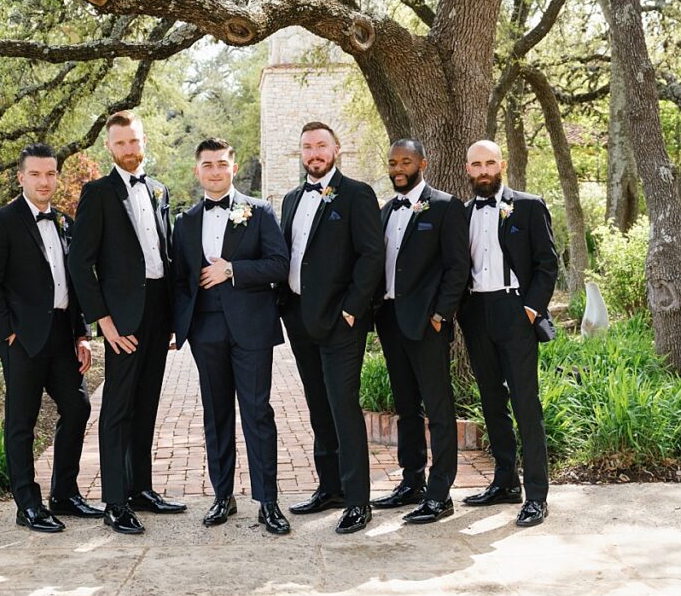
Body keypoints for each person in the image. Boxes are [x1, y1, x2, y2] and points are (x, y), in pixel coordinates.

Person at [0, 143, 102, 533]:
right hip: (23, 341)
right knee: (21, 423)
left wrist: (81, 334)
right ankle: (27, 505)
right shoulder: (1, 221)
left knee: (77, 408)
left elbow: (75, 282)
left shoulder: (65, 222)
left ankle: (64, 493)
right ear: (21, 177)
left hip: (63, 337)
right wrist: (7, 334)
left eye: (50, 174)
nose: (44, 181)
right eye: (35, 174)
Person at [67, 110, 185, 534]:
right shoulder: (97, 193)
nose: (129, 150)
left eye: (134, 141)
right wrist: (104, 322)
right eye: (121, 144)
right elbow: (80, 264)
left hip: (157, 308)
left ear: (144, 140)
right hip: (122, 316)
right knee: (117, 407)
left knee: (147, 402)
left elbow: (166, 253)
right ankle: (116, 502)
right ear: (110, 147)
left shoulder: (158, 189)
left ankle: (142, 489)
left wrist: (172, 317)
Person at [171, 138, 291, 535]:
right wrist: (178, 325)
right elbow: (179, 280)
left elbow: (279, 264)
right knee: (215, 414)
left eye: (222, 164)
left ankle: (268, 501)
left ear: (233, 168)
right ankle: (223, 496)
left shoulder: (258, 211)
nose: (215, 171)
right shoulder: (185, 221)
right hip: (206, 330)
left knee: (257, 413)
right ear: (198, 171)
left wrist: (233, 270)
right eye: (208, 165)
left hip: (252, 329)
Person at [279, 121, 384, 534]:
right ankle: (330, 487)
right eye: (307, 147)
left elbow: (371, 256)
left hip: (341, 321)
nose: (314, 153)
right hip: (300, 319)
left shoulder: (357, 194)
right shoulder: (290, 199)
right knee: (318, 405)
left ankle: (358, 500)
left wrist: (352, 309)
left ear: (336, 149)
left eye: (321, 145)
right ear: (301, 153)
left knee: (343, 405)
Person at [458, 139, 558, 527]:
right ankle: (504, 481)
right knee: (490, 399)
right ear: (467, 169)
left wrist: (530, 309)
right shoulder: (462, 212)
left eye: (489, 163)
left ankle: (536, 495)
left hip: (516, 310)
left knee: (524, 402)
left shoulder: (529, 206)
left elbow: (547, 263)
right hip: (476, 312)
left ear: (502, 164)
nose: (483, 170)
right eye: (476, 164)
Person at [370, 139, 469, 523]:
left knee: (438, 408)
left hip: (427, 323)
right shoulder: (384, 211)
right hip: (391, 320)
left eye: (405, 161)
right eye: (393, 161)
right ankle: (411, 481)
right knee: (406, 407)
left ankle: (440, 492)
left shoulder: (445, 206)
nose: (398, 167)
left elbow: (458, 266)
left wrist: (442, 314)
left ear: (422, 163)